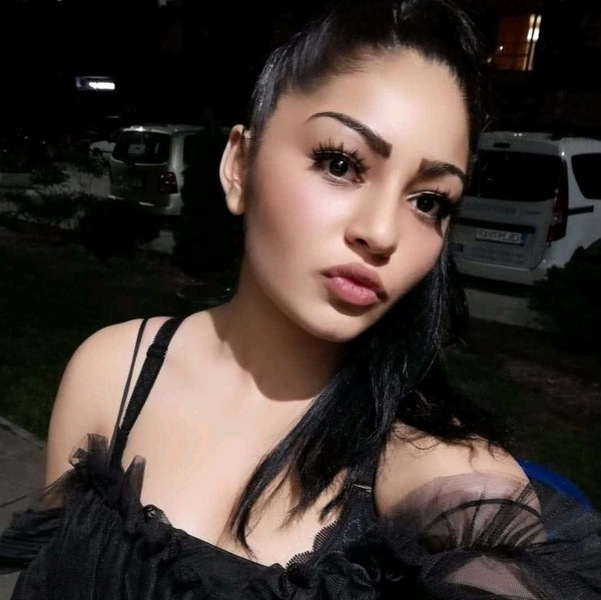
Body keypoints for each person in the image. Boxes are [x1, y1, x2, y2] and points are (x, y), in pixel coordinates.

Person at [1, 0, 600, 597]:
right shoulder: (113, 372)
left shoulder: (429, 468)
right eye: (341, 163)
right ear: (239, 166)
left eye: (428, 201)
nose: (382, 233)